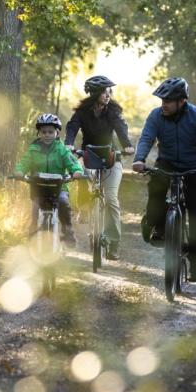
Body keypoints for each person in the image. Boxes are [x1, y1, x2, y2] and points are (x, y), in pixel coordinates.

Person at [132, 77, 196, 281]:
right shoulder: (156, 116)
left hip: (193, 166)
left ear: (181, 101)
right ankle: (161, 228)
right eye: (162, 100)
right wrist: (139, 159)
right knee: (155, 188)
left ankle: (195, 261)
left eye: (168, 101)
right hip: (166, 163)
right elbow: (147, 137)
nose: (163, 104)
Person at [64, 75, 135, 260]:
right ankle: (85, 209)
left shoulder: (112, 112)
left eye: (109, 91)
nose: (108, 94)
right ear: (95, 93)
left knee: (111, 198)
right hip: (90, 155)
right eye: (105, 91)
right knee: (83, 173)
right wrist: (69, 143)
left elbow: (121, 128)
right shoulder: (82, 113)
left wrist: (126, 145)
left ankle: (113, 243)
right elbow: (72, 127)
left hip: (111, 157)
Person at [13, 113, 84, 247]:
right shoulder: (33, 149)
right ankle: (33, 237)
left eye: (50, 132)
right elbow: (24, 162)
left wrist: (77, 171)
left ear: (57, 133)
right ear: (39, 133)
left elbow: (72, 162)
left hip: (59, 187)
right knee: (35, 210)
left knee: (63, 202)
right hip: (38, 187)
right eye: (43, 132)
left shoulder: (62, 150)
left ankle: (67, 230)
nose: (47, 135)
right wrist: (19, 171)